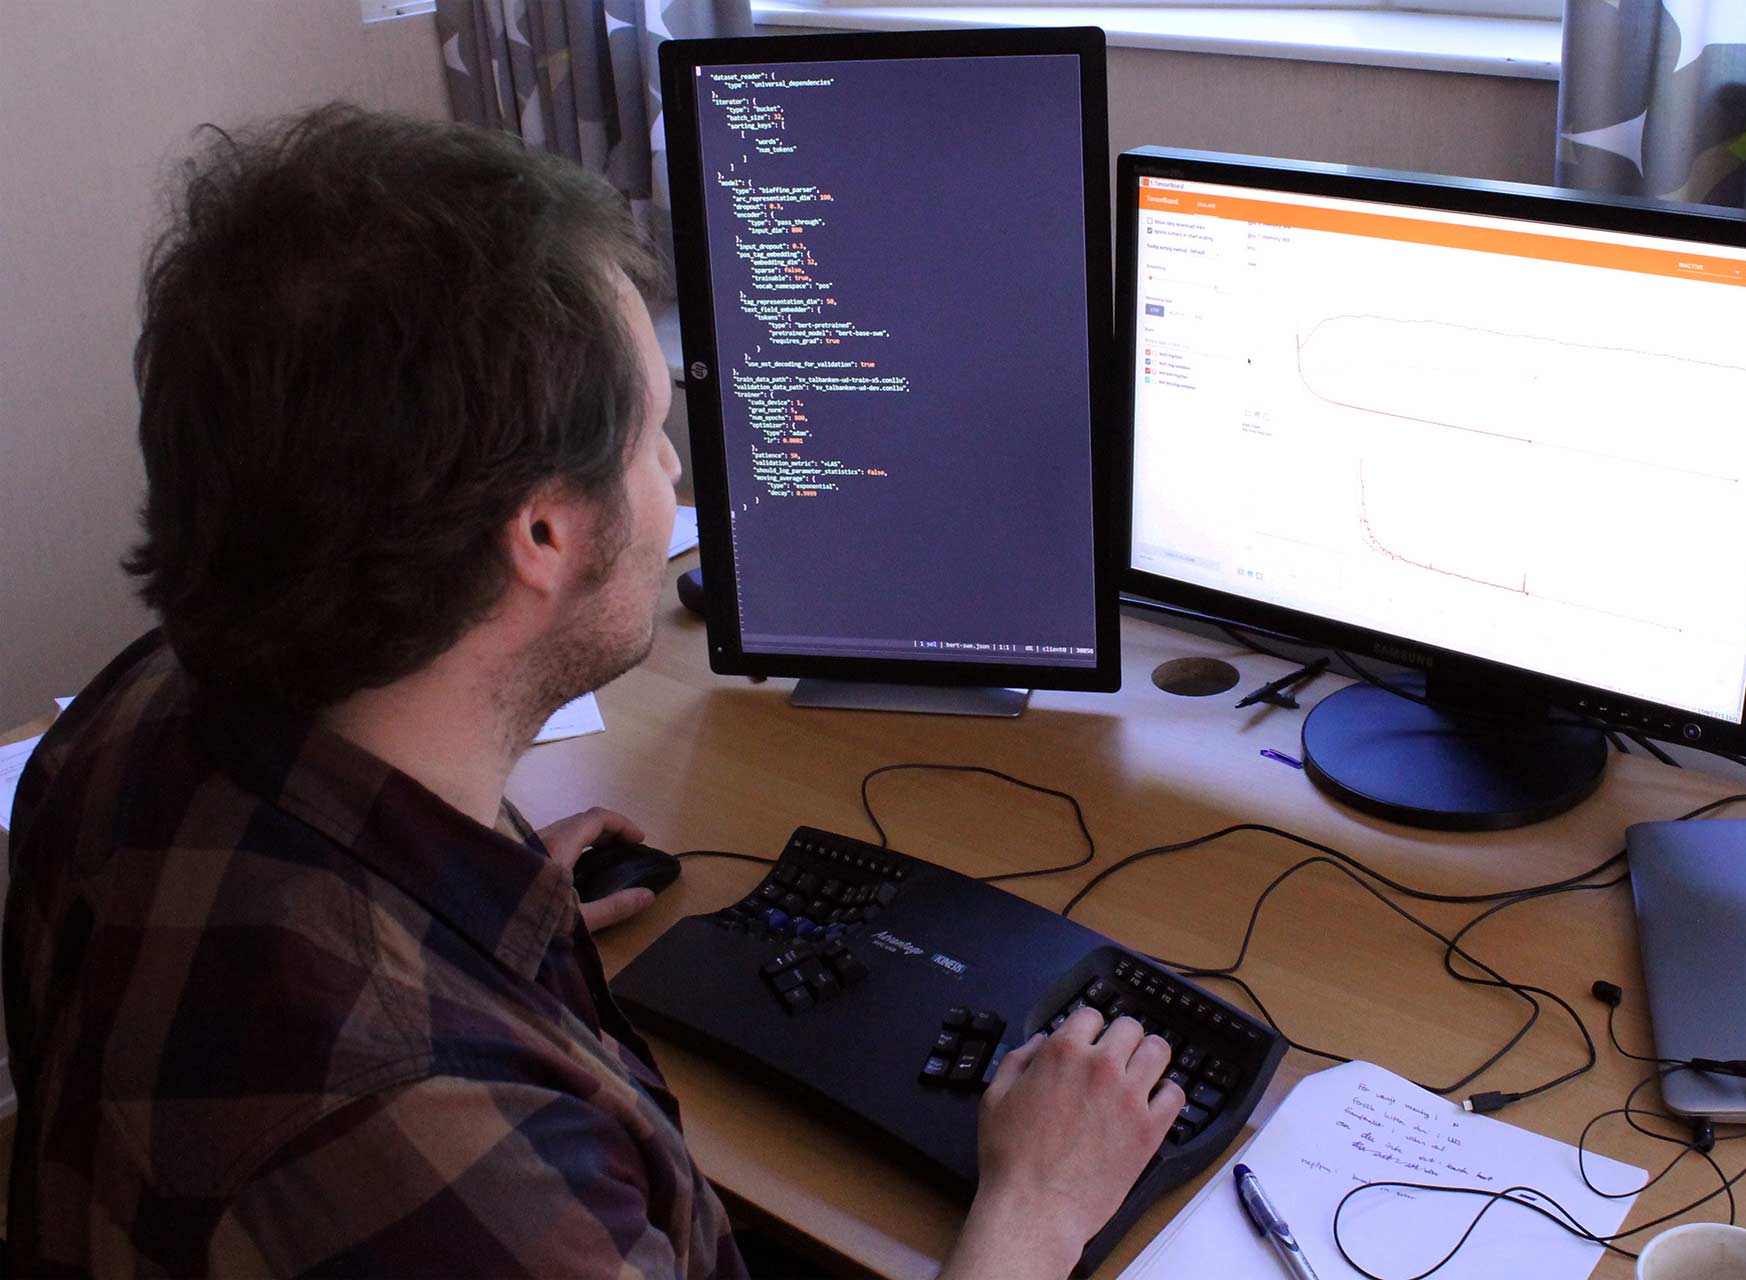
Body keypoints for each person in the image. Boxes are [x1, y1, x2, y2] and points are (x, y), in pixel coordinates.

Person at [3, 105, 1182, 1278]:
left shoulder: (131, 719)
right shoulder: (449, 1151)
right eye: (653, 431)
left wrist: (479, 904)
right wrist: (1035, 1206)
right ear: (543, 532)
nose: (672, 469)